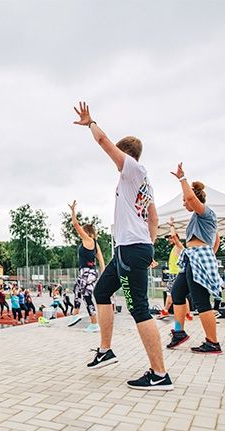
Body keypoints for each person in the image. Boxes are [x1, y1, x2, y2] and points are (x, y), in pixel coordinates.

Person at [74, 101, 173, 390]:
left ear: (127, 156)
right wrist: (151, 246)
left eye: (120, 156)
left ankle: (159, 373)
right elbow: (153, 217)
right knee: (102, 292)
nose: (115, 161)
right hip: (130, 249)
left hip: (131, 249)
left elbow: (104, 142)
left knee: (139, 308)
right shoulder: (145, 183)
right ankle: (106, 350)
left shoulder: (132, 169)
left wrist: (91, 123)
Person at [167, 168, 223, 354]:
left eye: (184, 201)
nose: (184, 204)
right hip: (192, 257)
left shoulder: (206, 213)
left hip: (198, 258)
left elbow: (191, 200)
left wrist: (182, 179)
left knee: (200, 301)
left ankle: (213, 342)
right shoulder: (197, 218)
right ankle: (179, 332)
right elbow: (216, 240)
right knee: (177, 293)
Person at [67, 201, 105, 332]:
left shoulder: (87, 239)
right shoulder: (95, 243)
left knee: (86, 295)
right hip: (90, 272)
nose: (80, 232)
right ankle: (75, 314)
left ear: (86, 232)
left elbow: (75, 225)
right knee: (77, 289)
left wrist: (73, 211)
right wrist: (103, 274)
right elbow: (101, 260)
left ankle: (94, 323)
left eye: (83, 231)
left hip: (87, 272)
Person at [157, 218, 193, 322]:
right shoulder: (174, 248)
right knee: (181, 295)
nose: (169, 239)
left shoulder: (179, 246)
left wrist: (171, 226)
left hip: (176, 274)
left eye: (170, 238)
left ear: (176, 238)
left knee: (169, 293)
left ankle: (165, 311)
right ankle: (188, 314)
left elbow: (174, 236)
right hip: (175, 273)